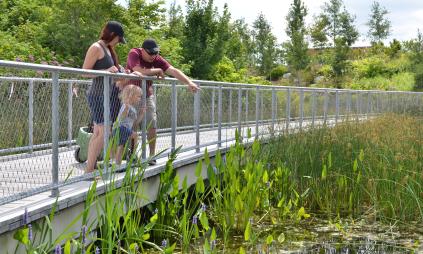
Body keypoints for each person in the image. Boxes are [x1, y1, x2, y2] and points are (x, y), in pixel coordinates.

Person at [126, 39, 200, 165]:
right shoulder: (134, 53)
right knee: (131, 125)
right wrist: (157, 70)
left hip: (147, 94)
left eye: (155, 54)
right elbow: (138, 70)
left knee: (152, 123)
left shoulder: (156, 58)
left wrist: (189, 82)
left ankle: (151, 156)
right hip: (131, 94)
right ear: (143, 50)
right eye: (150, 54)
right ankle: (131, 156)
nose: (153, 57)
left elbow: (173, 70)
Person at [82, 21, 127, 173]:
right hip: (97, 95)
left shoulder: (108, 49)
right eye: (118, 39)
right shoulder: (96, 47)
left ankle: (90, 167)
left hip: (106, 96)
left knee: (98, 132)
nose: (118, 43)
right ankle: (89, 170)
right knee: (104, 132)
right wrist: (108, 70)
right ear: (112, 35)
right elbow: (85, 72)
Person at [112, 85, 143, 165]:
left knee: (121, 146)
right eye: (138, 96)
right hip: (121, 128)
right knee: (134, 136)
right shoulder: (125, 105)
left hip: (124, 129)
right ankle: (132, 155)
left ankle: (118, 164)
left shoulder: (132, 108)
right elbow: (122, 117)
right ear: (131, 96)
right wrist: (125, 110)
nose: (140, 99)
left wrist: (142, 114)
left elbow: (135, 122)